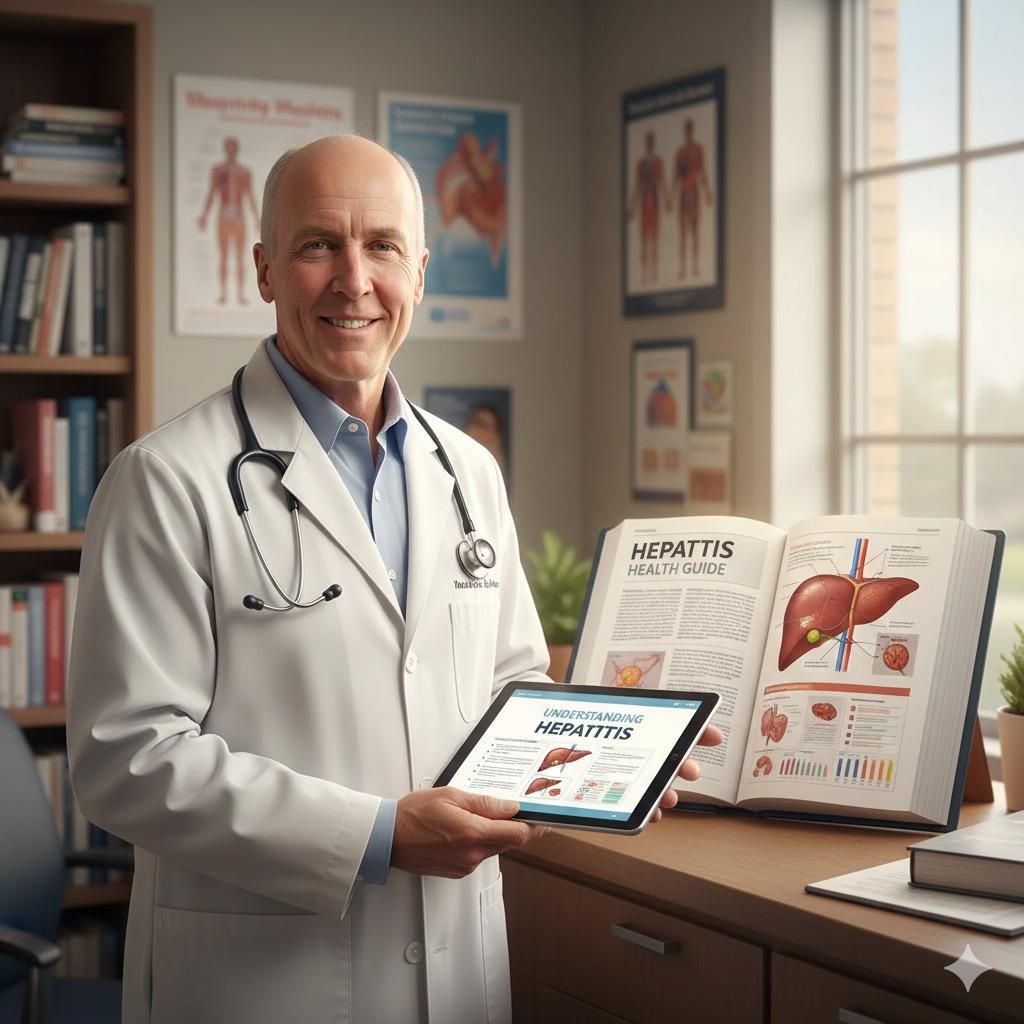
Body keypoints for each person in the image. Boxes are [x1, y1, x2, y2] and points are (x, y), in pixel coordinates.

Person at [67, 135, 721, 1024]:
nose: (353, 279)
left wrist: (607, 762)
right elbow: (126, 760)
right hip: (260, 982)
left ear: (420, 270)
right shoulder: (166, 479)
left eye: (380, 246)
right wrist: (378, 837)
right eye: (316, 245)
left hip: (457, 968)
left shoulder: (469, 471)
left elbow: (508, 684)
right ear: (263, 269)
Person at [196, 135, 261, 305]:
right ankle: (223, 294)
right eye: (228, 147)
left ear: (236, 150)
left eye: (233, 147)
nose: (231, 151)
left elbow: (250, 196)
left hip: (239, 214)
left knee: (240, 256)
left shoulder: (244, 172)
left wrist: (256, 218)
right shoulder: (218, 170)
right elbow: (211, 193)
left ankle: (240, 294)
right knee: (223, 255)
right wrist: (204, 215)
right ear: (226, 149)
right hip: (223, 214)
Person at [669, 118, 714, 279]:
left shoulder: (698, 149)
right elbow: (675, 177)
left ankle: (694, 266)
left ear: (692, 130)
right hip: (683, 193)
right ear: (684, 131)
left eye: (690, 129)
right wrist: (671, 198)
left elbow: (702, 173)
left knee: (694, 232)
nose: (688, 131)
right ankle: (682, 267)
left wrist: (707, 192)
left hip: (694, 193)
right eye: (686, 129)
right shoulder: (679, 152)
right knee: (682, 233)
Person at [627, 131, 668, 283]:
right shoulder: (641, 164)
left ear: (653, 143)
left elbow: (662, 182)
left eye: (651, 141)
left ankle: (655, 272)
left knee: (655, 239)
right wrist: (632, 207)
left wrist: (667, 199)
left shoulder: (658, 162)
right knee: (644, 240)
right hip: (645, 203)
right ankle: (644, 273)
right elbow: (637, 186)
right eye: (648, 142)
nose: (650, 144)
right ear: (646, 144)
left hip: (655, 203)